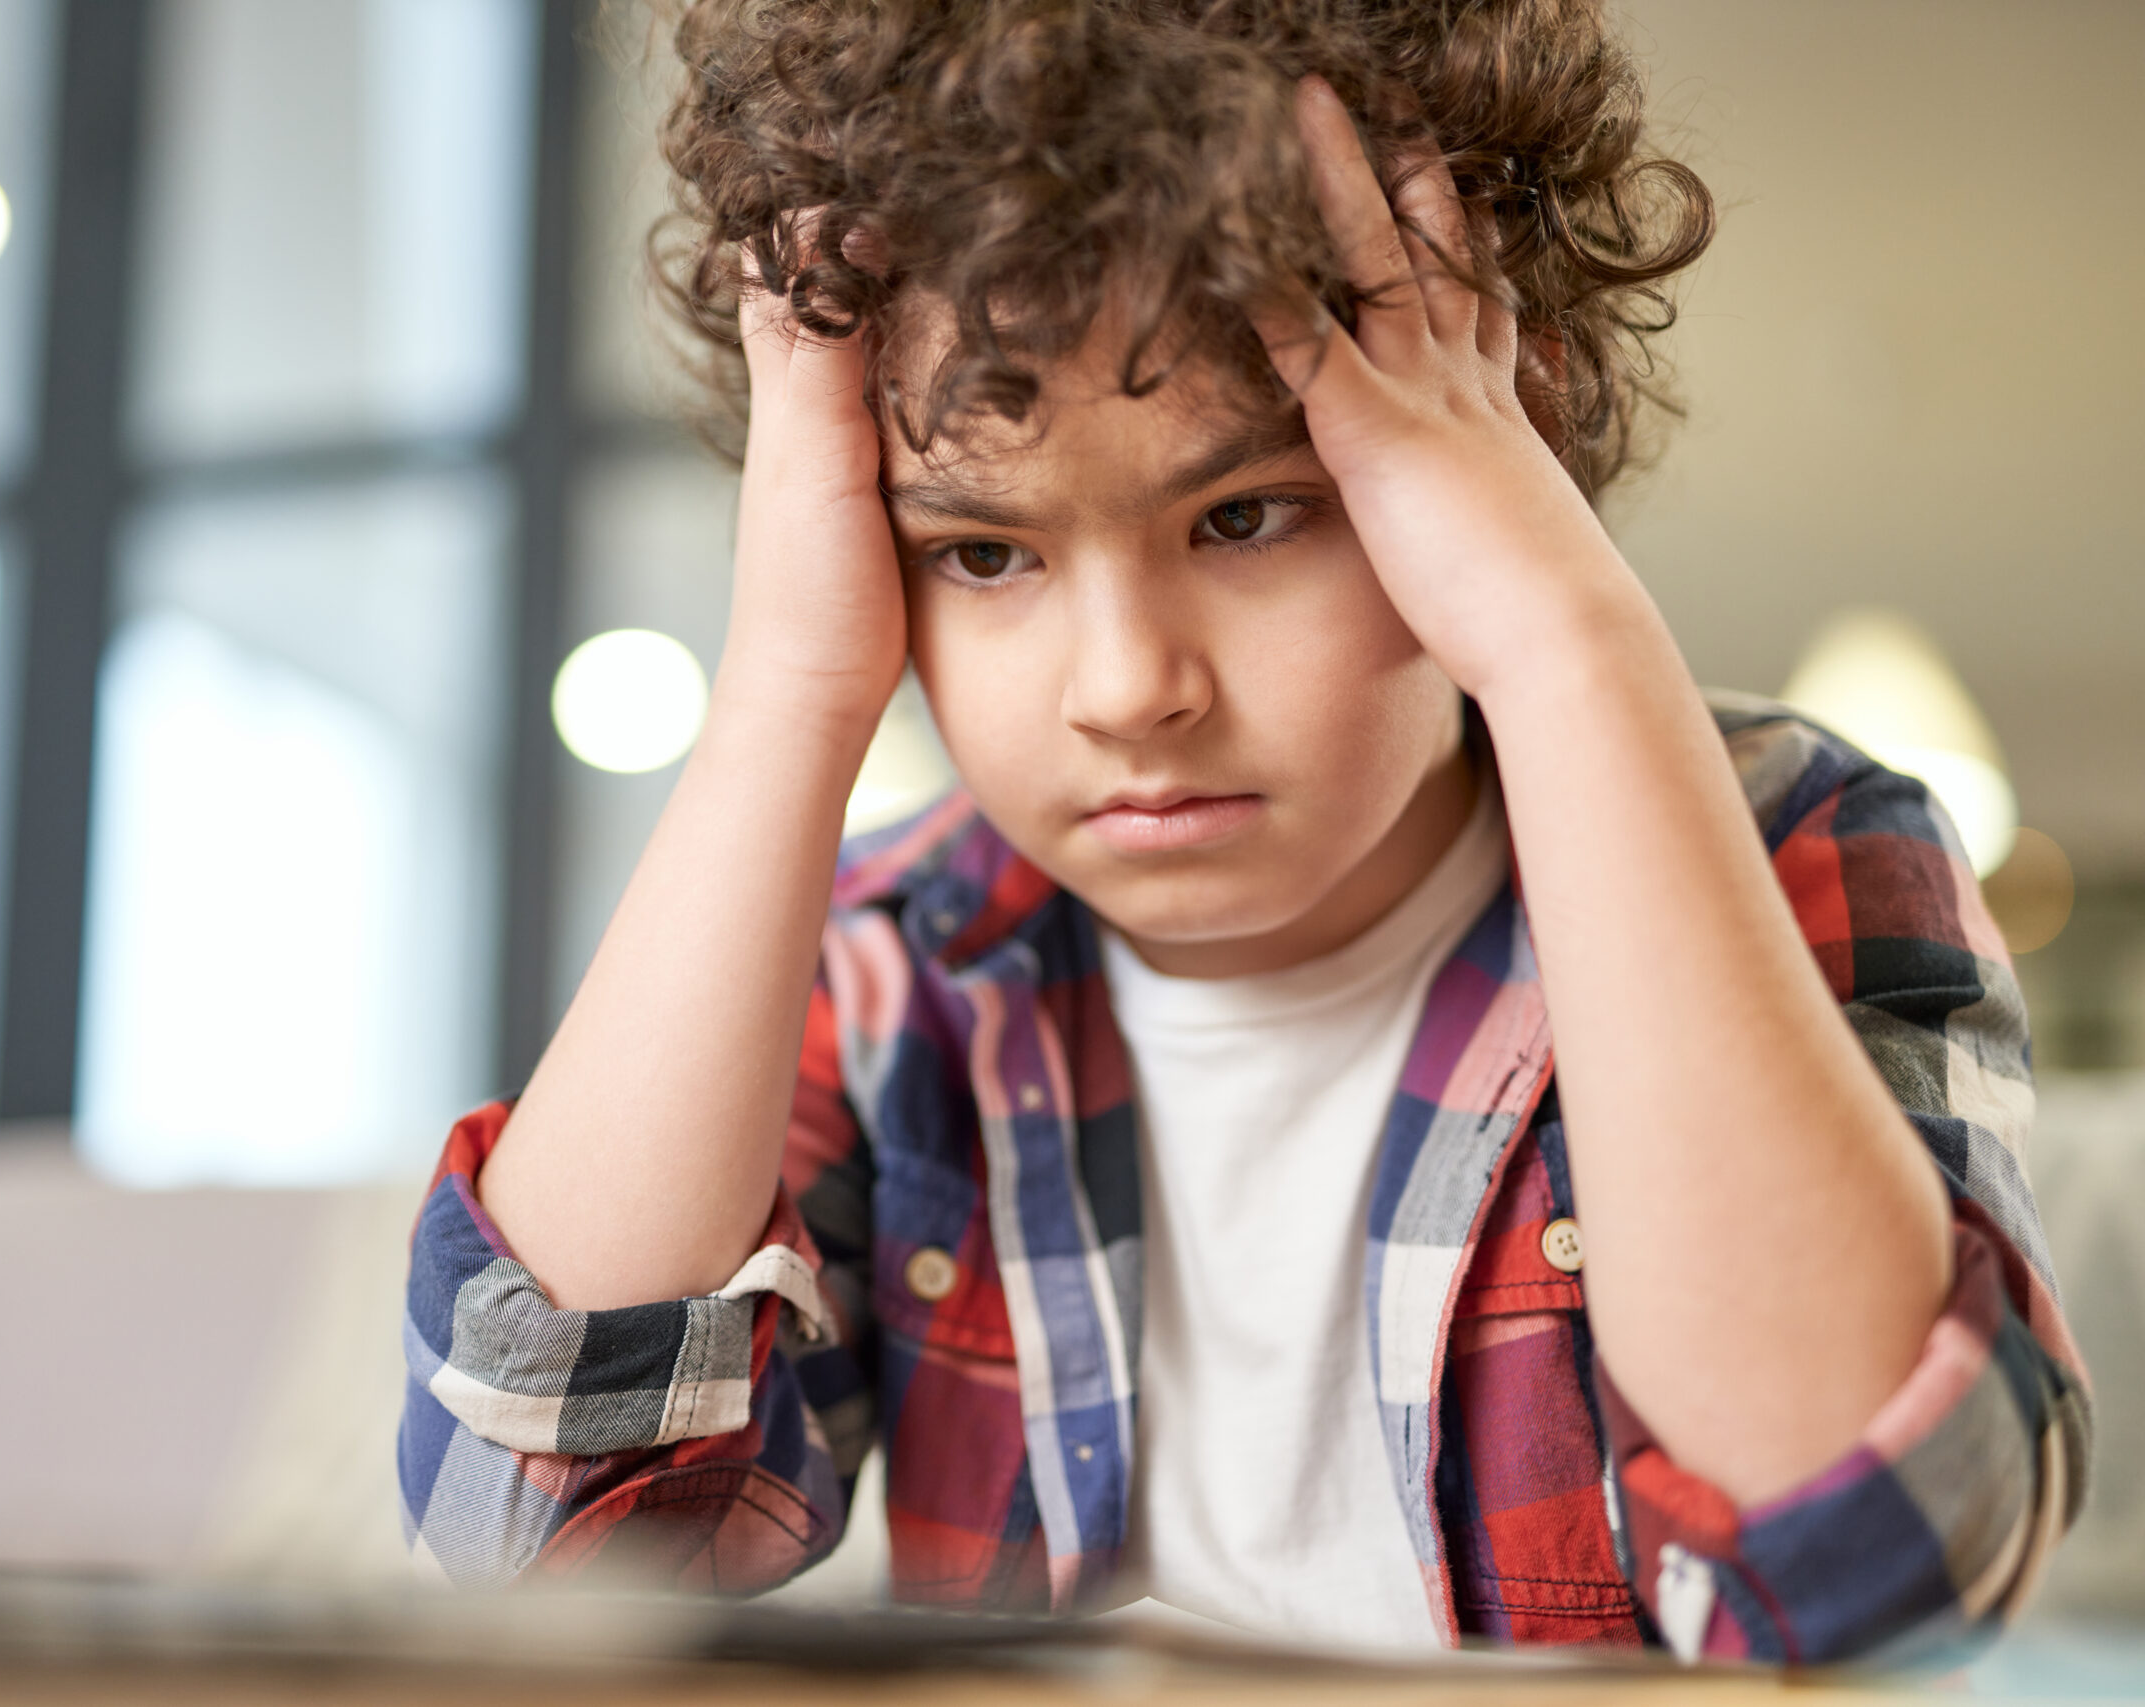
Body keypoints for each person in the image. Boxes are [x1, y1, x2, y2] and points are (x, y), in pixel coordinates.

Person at [400, 0, 2088, 1662]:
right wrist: (783, 689)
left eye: (1250, 513)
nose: (1130, 688)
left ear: (1510, 438)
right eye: (983, 554)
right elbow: (534, 1542)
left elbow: (1883, 1553)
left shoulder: (1799, 837)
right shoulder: (902, 963)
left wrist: (1568, 639)